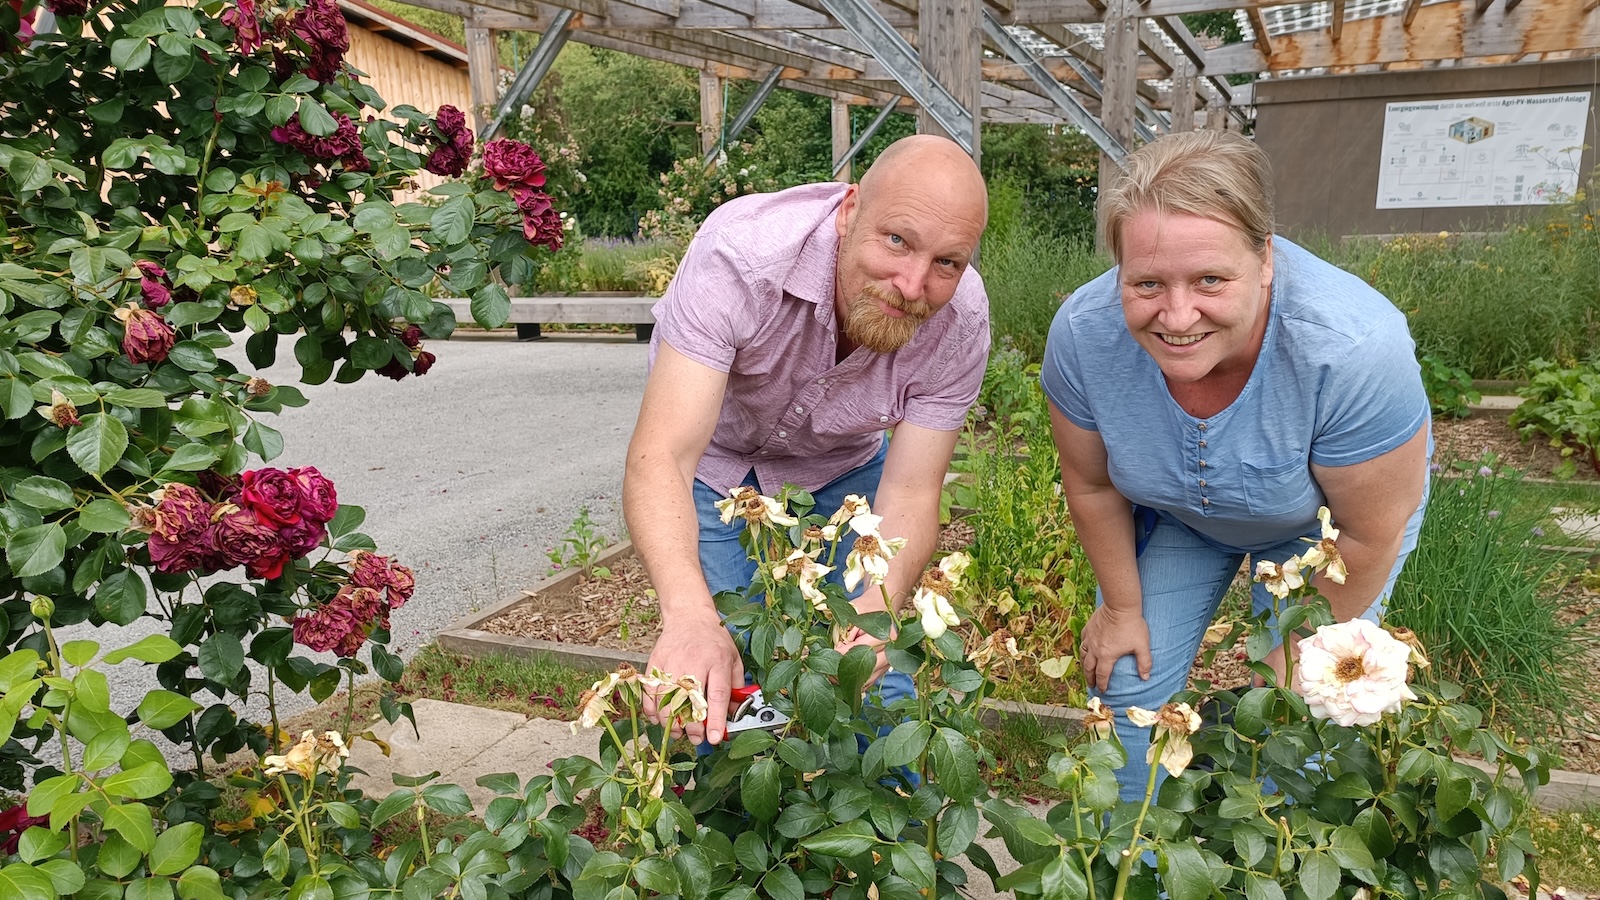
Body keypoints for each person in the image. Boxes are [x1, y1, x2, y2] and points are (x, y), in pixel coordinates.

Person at [1040, 131, 1430, 800]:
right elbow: (1093, 481)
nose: (1178, 315)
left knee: (1293, 721)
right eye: (1148, 283)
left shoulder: (1353, 347)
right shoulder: (1085, 334)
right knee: (1126, 684)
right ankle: (1137, 863)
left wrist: (1291, 658)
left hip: (1329, 536)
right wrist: (1123, 609)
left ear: (1266, 259)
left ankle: (1270, 861)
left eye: (1211, 280)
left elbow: (1368, 534)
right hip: (1184, 513)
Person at [622, 134, 991, 746]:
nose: (912, 283)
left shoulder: (961, 324)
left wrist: (878, 609)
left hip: (839, 471)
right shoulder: (740, 255)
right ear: (849, 212)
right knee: (721, 683)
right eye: (897, 240)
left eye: (947, 262)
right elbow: (662, 453)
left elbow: (911, 492)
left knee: (877, 683)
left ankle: (881, 834)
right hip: (714, 461)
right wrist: (688, 618)